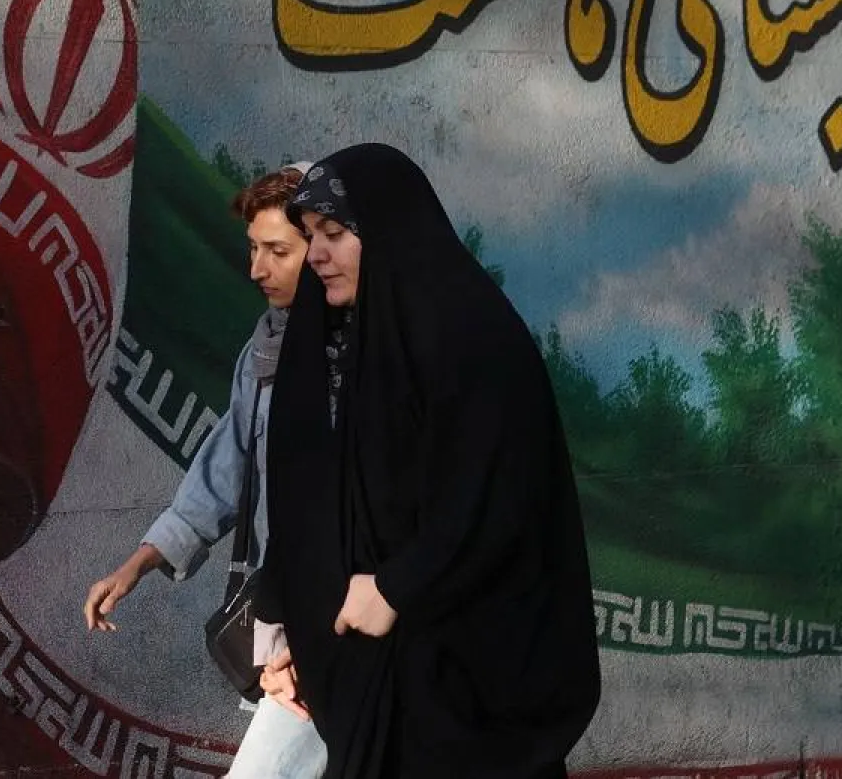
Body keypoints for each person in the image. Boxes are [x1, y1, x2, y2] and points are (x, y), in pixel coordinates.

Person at [256, 144, 600, 778]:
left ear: (389, 231)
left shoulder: (471, 338)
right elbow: (309, 493)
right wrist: (290, 630)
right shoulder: (347, 343)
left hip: (461, 679)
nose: (318, 254)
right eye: (310, 236)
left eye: (335, 233)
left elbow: (498, 495)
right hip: (364, 670)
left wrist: (397, 586)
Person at [83, 164, 328, 779]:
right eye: (253, 250)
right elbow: (230, 462)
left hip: (337, 631)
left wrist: (307, 639)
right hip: (288, 625)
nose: (257, 270)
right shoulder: (267, 348)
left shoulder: (360, 360)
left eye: (278, 251)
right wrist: (141, 561)